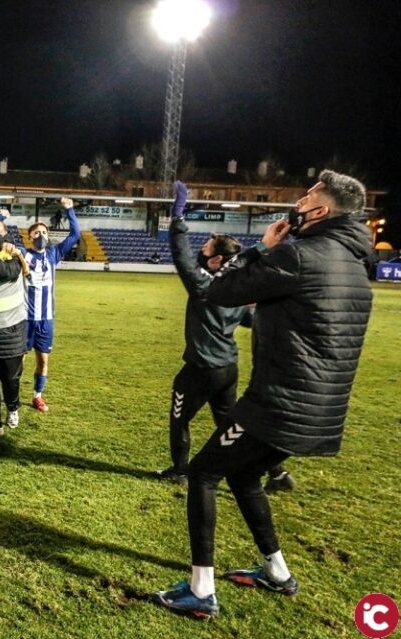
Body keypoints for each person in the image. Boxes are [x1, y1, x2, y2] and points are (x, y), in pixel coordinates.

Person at [153, 170, 373, 618]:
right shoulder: (353, 263)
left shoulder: (301, 254)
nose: (298, 201)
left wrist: (264, 248)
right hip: (321, 410)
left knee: (202, 473)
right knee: (244, 476)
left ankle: (200, 590)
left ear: (320, 211)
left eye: (307, 195)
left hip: (279, 404)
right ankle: (276, 573)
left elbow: (220, 290)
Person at [153, 181, 252, 484]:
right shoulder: (237, 286)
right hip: (228, 368)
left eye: (206, 248)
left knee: (179, 418)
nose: (200, 250)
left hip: (201, 368)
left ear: (217, 259)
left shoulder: (203, 286)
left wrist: (178, 216)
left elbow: (180, 253)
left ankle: (180, 471)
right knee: (228, 421)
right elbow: (248, 320)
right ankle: (270, 470)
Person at [23, 197, 80, 412]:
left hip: (46, 319)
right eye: (37, 233)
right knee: (17, 361)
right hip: (26, 319)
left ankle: (38, 396)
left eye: (44, 233)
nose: (41, 236)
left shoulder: (53, 254)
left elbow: (75, 235)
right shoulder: (24, 254)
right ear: (29, 237)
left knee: (43, 361)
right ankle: (12, 399)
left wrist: (69, 210)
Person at [0, 215, 29, 431]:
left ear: (5, 236)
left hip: (12, 330)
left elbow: (7, 272)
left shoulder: (13, 255)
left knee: (10, 379)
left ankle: (13, 408)